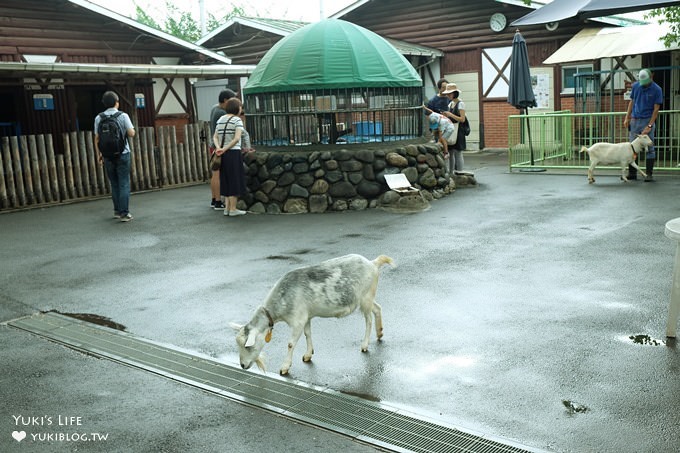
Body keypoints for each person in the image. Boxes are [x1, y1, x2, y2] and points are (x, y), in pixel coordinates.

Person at [94, 91, 135, 222]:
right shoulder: (123, 116)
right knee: (124, 183)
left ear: (104, 104)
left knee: (114, 184)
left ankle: (117, 211)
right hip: (123, 153)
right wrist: (131, 130)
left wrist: (99, 154)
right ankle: (124, 213)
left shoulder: (98, 118)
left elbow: (97, 138)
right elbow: (131, 133)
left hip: (107, 155)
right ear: (117, 102)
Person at [623, 68, 663, 182]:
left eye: (646, 83)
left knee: (649, 147)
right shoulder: (636, 86)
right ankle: (632, 173)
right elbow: (632, 102)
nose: (644, 85)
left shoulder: (657, 90)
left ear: (652, 77)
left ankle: (649, 174)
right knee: (632, 147)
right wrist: (627, 117)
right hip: (635, 120)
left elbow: (656, 110)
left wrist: (649, 126)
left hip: (647, 120)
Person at [213, 98, 247, 216]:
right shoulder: (237, 120)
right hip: (233, 153)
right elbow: (237, 138)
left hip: (222, 154)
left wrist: (219, 148)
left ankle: (226, 208)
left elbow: (215, 137)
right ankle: (233, 209)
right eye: (240, 107)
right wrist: (226, 148)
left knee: (226, 179)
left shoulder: (220, 119)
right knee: (234, 179)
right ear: (237, 108)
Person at [209, 89, 237, 209]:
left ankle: (214, 198)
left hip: (214, 145)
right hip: (220, 146)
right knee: (217, 174)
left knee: (214, 173)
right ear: (225, 100)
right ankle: (218, 201)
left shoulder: (214, 108)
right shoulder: (222, 113)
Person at [442, 83, 467, 174]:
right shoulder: (451, 104)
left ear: (454, 93)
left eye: (449, 94)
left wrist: (450, 114)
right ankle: (451, 173)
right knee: (451, 152)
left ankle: (460, 173)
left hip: (459, 130)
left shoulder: (461, 104)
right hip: (452, 130)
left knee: (458, 153)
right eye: (447, 94)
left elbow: (462, 119)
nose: (448, 95)